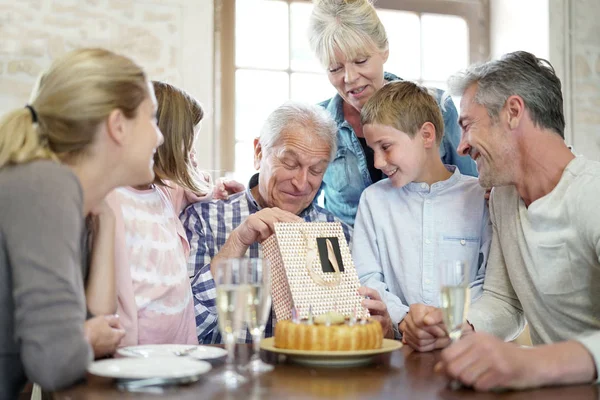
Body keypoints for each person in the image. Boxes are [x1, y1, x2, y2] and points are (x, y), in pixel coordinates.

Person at [403, 51, 600, 391]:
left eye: (467, 126)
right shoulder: (503, 198)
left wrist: (530, 362)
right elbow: (505, 301)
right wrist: (462, 326)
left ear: (512, 112)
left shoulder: (592, 194)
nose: (461, 147)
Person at [0, 48, 163, 397]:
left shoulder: (59, 192)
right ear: (118, 125)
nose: (159, 137)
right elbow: (54, 359)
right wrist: (88, 336)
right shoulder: (45, 186)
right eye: (152, 119)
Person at [182, 101, 395, 343]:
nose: (301, 183)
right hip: (234, 375)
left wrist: (382, 330)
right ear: (259, 153)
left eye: (316, 170)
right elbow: (186, 330)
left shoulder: (339, 236)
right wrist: (237, 243)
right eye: (290, 164)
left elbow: (347, 336)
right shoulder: (204, 220)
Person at [308, 0, 478, 227]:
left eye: (361, 61)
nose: (349, 78)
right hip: (346, 258)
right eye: (335, 68)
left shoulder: (437, 106)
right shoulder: (318, 124)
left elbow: (471, 188)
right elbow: (302, 199)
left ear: (384, 49)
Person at [353, 81, 491, 341]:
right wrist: (404, 319)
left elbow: (488, 282)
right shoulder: (373, 201)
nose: (378, 162)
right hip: (396, 349)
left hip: (466, 346)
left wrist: (447, 321)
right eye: (373, 150)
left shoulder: (479, 197)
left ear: (426, 135)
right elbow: (367, 276)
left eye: (385, 147)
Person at [107, 81, 215, 346]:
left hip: (179, 347)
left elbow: (196, 188)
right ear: (163, 139)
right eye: (189, 143)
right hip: (137, 353)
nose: (192, 154)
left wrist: (215, 187)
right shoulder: (114, 200)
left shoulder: (165, 192)